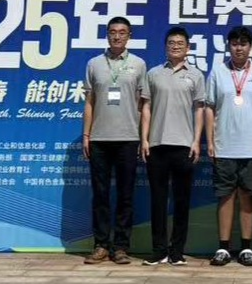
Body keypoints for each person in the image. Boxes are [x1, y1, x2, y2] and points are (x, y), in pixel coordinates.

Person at [82, 16, 148, 265]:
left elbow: (142, 105)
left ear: (129, 35)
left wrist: (142, 137)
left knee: (125, 195)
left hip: (128, 138)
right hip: (99, 138)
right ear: (107, 34)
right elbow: (89, 103)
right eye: (112, 32)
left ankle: (120, 246)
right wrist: (86, 135)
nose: (117, 36)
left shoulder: (139, 64)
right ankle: (100, 245)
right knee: (100, 195)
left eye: (122, 32)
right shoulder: (94, 64)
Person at [141, 26, 206, 266]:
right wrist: (144, 139)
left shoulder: (196, 75)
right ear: (165, 46)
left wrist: (196, 141)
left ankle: (177, 251)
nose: (175, 46)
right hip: (156, 144)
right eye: (171, 42)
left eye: (180, 43)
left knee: (181, 201)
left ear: (188, 48)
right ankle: (159, 251)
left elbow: (199, 110)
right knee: (157, 201)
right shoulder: (154, 73)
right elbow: (146, 107)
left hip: (184, 146)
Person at [204, 26, 252, 266]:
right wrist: (210, 140)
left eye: (243, 43)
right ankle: (223, 248)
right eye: (234, 43)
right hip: (224, 145)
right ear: (228, 46)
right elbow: (209, 107)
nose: (239, 48)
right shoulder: (218, 72)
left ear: (251, 47)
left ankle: (246, 248)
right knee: (225, 196)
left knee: (248, 197)